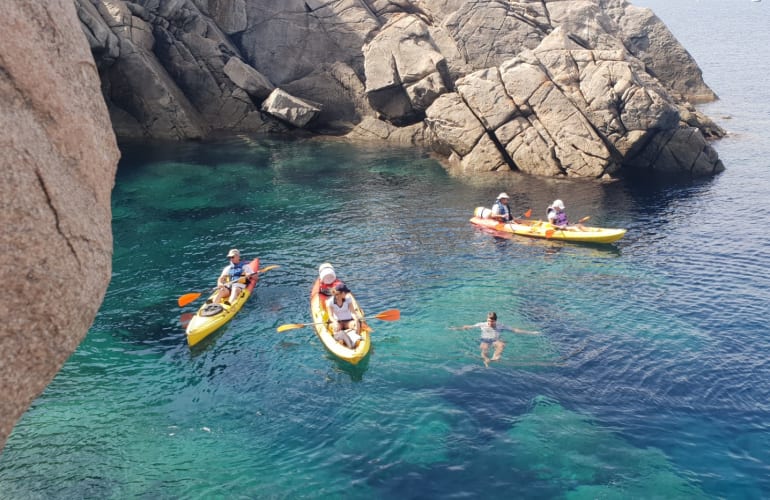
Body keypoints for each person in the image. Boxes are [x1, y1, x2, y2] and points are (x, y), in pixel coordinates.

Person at [452, 312, 540, 367]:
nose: (489, 323)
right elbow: (468, 327)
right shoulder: (482, 324)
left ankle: (495, 358)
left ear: (495, 321)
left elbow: (515, 330)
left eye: (492, 321)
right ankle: (486, 360)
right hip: (485, 340)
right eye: (488, 321)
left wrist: (531, 332)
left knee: (501, 344)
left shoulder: (501, 326)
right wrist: (456, 328)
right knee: (484, 348)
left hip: (495, 340)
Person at [327, 283, 362, 349]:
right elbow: (330, 316)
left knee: (357, 323)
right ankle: (342, 339)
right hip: (338, 322)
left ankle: (356, 338)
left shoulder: (348, 299)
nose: (347, 294)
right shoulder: (330, 302)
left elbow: (352, 312)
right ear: (342, 293)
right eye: (345, 292)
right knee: (335, 327)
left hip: (348, 321)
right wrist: (335, 322)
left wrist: (356, 318)